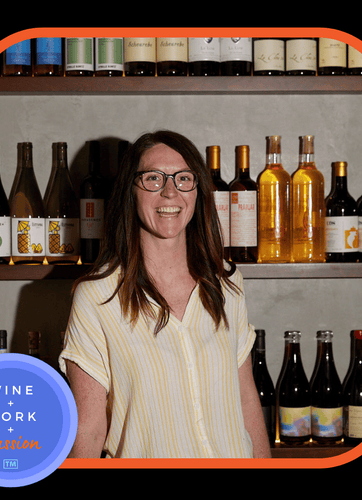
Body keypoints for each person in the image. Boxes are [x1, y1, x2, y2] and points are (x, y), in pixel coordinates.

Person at [59, 130, 271, 459]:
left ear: (198, 192)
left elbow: (245, 398)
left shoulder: (226, 284)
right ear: (130, 190)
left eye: (184, 178)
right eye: (153, 179)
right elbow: (88, 428)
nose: (170, 192)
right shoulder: (97, 297)